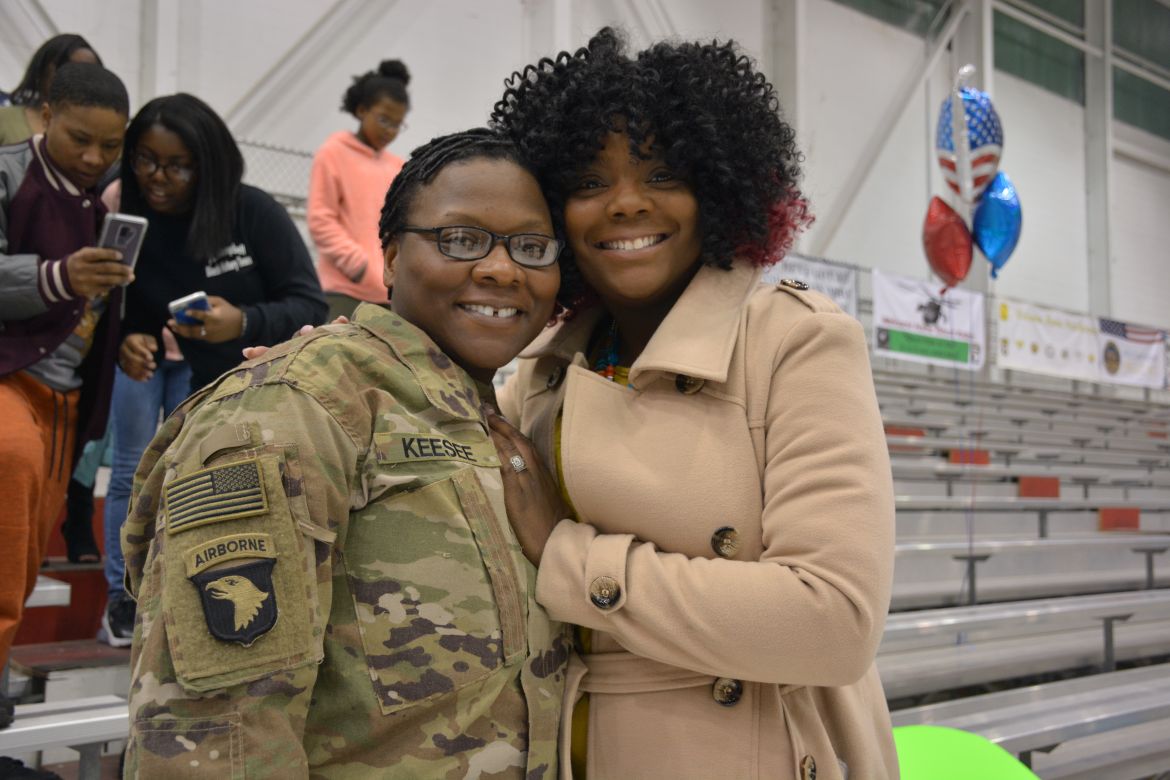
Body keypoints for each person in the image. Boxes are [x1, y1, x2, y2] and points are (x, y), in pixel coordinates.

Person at [488, 29, 898, 779]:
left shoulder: (796, 341)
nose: (625, 203)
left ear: (719, 188)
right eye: (588, 182)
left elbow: (835, 621)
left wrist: (568, 556)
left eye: (664, 174)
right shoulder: (544, 371)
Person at [122, 128, 570, 777]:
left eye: (531, 247)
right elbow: (217, 739)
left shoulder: (492, 419)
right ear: (389, 256)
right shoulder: (295, 407)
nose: (502, 269)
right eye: (460, 239)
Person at [101, 93, 327, 647]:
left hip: (250, 387)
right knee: (134, 471)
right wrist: (128, 338)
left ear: (209, 164)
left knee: (227, 490)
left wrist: (244, 322)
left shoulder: (252, 212)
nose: (158, 177)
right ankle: (125, 599)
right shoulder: (131, 218)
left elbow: (309, 304)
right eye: (146, 160)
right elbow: (120, 304)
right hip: (174, 372)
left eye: (178, 165)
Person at [0, 62, 131, 729]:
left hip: (67, 403)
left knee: (22, 563)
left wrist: (126, 340)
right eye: (80, 138)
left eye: (110, 145)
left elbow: (94, 309)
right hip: (9, 384)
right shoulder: (8, 175)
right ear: (45, 115)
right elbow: (57, 284)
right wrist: (57, 276)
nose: (94, 157)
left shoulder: (101, 207)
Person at [308, 59, 410, 320]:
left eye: (397, 124)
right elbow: (321, 220)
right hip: (344, 291)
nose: (390, 131)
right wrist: (359, 267)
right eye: (384, 120)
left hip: (389, 292)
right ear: (362, 110)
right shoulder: (333, 153)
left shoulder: (397, 166)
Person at [0, 34, 101, 145]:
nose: (76, 79)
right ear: (42, 70)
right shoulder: (4, 119)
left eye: (87, 74)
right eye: (66, 69)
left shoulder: (102, 133)